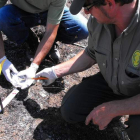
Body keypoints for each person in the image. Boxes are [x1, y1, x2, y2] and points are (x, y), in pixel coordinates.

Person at [35, 0, 140, 139]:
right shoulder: (98, 22)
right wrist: (54, 72)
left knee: (138, 129)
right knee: (70, 109)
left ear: (110, 3)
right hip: (112, 80)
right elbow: (91, 54)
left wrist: (114, 108)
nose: (86, 12)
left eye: (88, 7)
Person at [0, 0, 88, 89]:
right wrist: (2, 59)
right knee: (2, 16)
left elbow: (51, 31)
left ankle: (48, 42)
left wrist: (34, 66)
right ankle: (30, 41)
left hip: (48, 11)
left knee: (83, 29)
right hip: (20, 11)